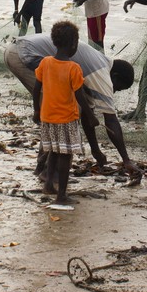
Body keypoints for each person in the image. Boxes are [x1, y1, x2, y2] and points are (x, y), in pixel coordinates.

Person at [4, 30, 140, 181]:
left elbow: (86, 116)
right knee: (63, 113)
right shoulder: (102, 75)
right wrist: (126, 160)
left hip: (17, 49)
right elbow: (111, 121)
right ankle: (50, 171)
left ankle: (43, 168)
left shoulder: (97, 65)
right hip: (26, 55)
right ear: (115, 77)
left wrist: (95, 151)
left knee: (66, 110)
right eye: (117, 87)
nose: (113, 91)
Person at [32, 21, 93, 208]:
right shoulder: (73, 68)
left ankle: (49, 185)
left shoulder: (45, 62)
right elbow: (79, 95)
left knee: (54, 152)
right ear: (74, 43)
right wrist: (90, 114)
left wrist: (36, 109)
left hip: (48, 117)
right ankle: (61, 196)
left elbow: (36, 89)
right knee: (65, 157)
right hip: (66, 119)